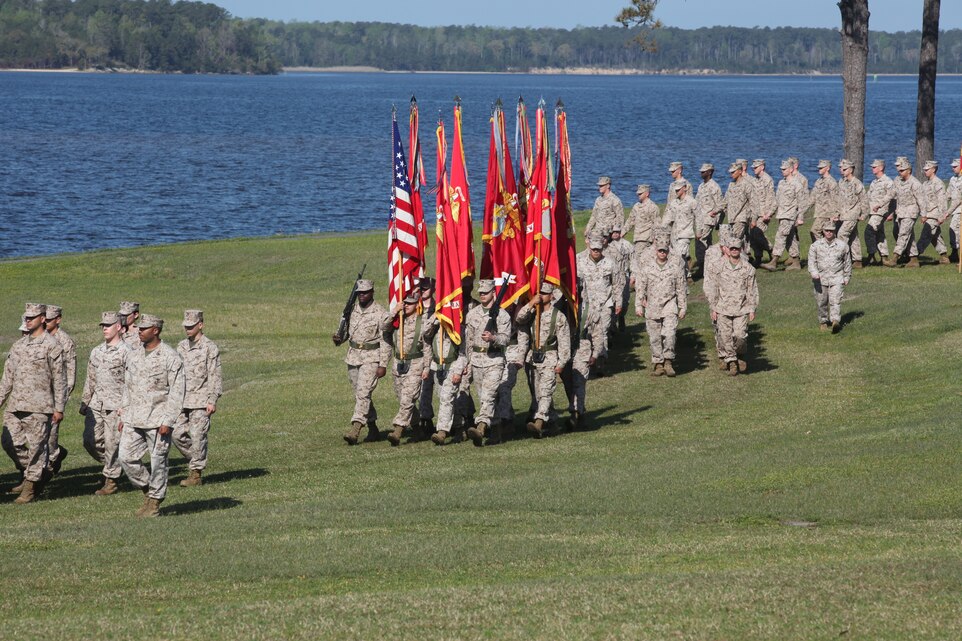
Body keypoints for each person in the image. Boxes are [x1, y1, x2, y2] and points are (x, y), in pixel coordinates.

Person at [119, 314, 185, 517]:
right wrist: (124, 413)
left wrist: (168, 420)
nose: (139, 331)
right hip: (133, 418)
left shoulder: (170, 357)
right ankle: (149, 490)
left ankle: (155, 503)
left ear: (155, 330)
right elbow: (127, 386)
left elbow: (177, 391)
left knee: (158, 463)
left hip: (158, 420)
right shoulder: (134, 354)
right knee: (125, 458)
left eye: (144, 328)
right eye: (139, 328)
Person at [0, 303, 66, 504]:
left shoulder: (52, 345)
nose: (27, 320)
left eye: (32, 317)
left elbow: (59, 378)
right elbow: (7, 377)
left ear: (43, 319)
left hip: (40, 407)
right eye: (26, 317)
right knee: (10, 442)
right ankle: (37, 472)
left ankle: (29, 488)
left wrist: (59, 408)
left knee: (37, 447)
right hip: (15, 405)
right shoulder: (19, 345)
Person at [332, 279, 391, 445]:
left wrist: (383, 364)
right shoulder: (352, 310)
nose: (362, 296)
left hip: (371, 358)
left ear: (372, 292)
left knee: (364, 393)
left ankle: (355, 429)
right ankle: (373, 429)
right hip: (353, 357)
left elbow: (386, 341)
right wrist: (338, 338)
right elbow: (347, 334)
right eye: (359, 293)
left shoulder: (380, 313)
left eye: (365, 293)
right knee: (360, 394)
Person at [79, 311, 132, 496]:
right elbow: (90, 378)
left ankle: (111, 479)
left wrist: (126, 407)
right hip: (97, 404)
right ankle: (116, 466)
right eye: (103, 326)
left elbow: (131, 383)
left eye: (108, 325)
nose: (104, 329)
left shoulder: (127, 352)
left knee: (111, 443)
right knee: (90, 441)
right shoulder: (96, 351)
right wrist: (85, 401)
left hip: (116, 405)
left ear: (118, 327)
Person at [454, 279, 510, 447]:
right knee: (486, 399)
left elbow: (506, 339)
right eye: (481, 293)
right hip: (477, 361)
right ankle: (497, 431)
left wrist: (493, 338)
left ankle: (481, 428)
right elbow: (468, 342)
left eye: (486, 292)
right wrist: (467, 363)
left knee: (488, 396)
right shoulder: (472, 314)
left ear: (494, 292)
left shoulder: (503, 315)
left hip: (494, 360)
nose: (483, 295)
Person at [172, 310, 223, 483]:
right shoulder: (181, 347)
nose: (187, 329)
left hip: (201, 400)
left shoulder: (210, 347)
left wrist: (212, 400)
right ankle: (196, 458)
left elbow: (214, 375)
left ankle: (195, 473)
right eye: (186, 326)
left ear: (200, 325)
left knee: (197, 435)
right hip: (182, 400)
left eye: (191, 326)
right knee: (176, 434)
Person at [516, 283, 571, 438]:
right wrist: (531, 303)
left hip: (550, 358)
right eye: (539, 293)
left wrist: (561, 363)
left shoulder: (558, 317)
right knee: (538, 394)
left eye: (544, 293)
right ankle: (553, 423)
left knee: (546, 392)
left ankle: (539, 421)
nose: (541, 296)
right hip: (533, 359)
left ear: (551, 296)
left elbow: (565, 343)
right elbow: (519, 319)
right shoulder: (533, 312)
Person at [382, 292, 432, 446]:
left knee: (407, 399)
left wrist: (427, 367)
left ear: (417, 304)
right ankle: (417, 429)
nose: (406, 305)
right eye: (405, 303)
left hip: (416, 363)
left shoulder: (422, 322)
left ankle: (398, 431)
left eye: (410, 303)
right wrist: (395, 311)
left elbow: (427, 346)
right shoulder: (397, 320)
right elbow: (383, 327)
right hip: (399, 364)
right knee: (403, 399)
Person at [635, 232, 687, 377]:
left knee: (670, 334)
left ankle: (668, 361)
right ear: (656, 251)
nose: (662, 253)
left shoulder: (675, 268)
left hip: (669, 305)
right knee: (655, 337)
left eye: (665, 250)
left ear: (668, 251)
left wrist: (683, 307)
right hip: (652, 305)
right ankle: (658, 363)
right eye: (660, 250)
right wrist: (639, 305)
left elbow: (681, 288)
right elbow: (640, 287)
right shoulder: (647, 267)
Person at [704, 238, 759, 376]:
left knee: (740, 336)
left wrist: (752, 308)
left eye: (737, 248)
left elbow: (752, 290)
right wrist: (713, 308)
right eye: (732, 248)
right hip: (722, 308)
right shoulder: (719, 267)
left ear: (741, 249)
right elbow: (713, 289)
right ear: (727, 249)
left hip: (741, 308)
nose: (734, 250)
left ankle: (739, 355)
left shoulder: (748, 268)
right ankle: (732, 362)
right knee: (725, 336)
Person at [568, 277, 604, 430]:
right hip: (562, 350)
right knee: (567, 384)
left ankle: (578, 413)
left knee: (579, 382)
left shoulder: (589, 310)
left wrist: (596, 353)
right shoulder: (562, 308)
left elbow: (597, 333)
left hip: (582, 349)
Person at [43, 304, 75, 474]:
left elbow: (71, 371)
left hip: (56, 394)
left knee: (51, 431)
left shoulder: (65, 341)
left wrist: (62, 398)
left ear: (58, 320)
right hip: (40, 393)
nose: (46, 322)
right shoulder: (41, 338)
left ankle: (52, 459)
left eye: (49, 320)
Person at [577, 236, 617, 361]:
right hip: (587, 304)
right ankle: (590, 357)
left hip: (604, 303)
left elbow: (616, 283)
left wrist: (618, 302)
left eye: (598, 249)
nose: (596, 251)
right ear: (589, 248)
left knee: (603, 330)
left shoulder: (610, 263)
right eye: (593, 249)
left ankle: (601, 359)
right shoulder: (580, 262)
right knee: (589, 332)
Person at [808, 221, 852, 333]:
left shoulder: (842, 246)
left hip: (837, 277)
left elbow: (847, 262)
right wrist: (814, 272)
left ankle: (835, 321)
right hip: (820, 278)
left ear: (834, 231)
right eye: (827, 230)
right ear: (823, 231)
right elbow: (811, 262)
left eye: (831, 231)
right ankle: (823, 322)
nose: (829, 233)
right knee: (821, 302)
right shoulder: (815, 246)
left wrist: (847, 277)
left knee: (835, 300)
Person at [762, 160, 805, 271]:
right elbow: (777, 200)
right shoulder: (781, 183)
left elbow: (802, 203)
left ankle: (774, 261)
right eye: (781, 169)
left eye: (784, 169)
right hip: (782, 214)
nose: (782, 171)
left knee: (780, 236)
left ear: (791, 169)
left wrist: (800, 218)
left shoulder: (797, 184)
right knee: (791, 239)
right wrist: (770, 213)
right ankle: (796, 262)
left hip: (790, 216)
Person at [885, 157, 924, 268]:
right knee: (908, 235)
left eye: (902, 170)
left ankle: (895, 258)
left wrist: (924, 214)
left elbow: (921, 200)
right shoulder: (897, 180)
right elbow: (891, 194)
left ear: (909, 170)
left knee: (903, 234)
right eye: (899, 170)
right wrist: (880, 204)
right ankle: (914, 259)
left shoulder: (915, 183)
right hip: (901, 212)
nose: (899, 172)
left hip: (911, 213)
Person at [911, 159, 950, 266]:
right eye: (925, 169)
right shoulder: (925, 183)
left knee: (926, 235)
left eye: (927, 169)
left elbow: (942, 201)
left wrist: (942, 216)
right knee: (935, 236)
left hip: (934, 215)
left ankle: (913, 257)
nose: (925, 171)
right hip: (928, 214)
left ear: (933, 169)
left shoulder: (938, 183)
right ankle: (944, 257)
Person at [662, 180, 698, 279]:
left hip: (686, 234)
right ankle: (688, 275)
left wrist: (699, 231)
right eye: (675, 190)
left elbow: (699, 217)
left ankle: (678, 278)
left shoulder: (692, 202)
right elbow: (668, 218)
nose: (677, 192)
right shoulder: (673, 203)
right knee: (680, 256)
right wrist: (661, 229)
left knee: (677, 256)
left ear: (684, 188)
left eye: (678, 189)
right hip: (675, 234)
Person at [623, 184, 660, 278]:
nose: (638, 195)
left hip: (646, 239)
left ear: (647, 194)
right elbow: (630, 221)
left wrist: (656, 240)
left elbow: (657, 225)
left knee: (640, 262)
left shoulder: (652, 207)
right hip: (637, 239)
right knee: (637, 261)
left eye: (640, 193)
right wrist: (622, 233)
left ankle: (639, 281)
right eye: (638, 193)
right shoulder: (636, 206)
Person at [836, 158, 867, 269]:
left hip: (853, 214)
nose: (841, 171)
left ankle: (841, 259)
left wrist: (864, 214)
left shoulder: (857, 183)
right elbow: (840, 200)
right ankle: (857, 260)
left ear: (851, 170)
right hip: (844, 214)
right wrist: (837, 213)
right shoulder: (841, 182)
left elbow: (864, 200)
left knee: (842, 234)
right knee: (853, 237)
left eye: (844, 169)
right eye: (841, 168)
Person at [416, 277, 437, 436]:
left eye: (426, 288)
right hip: (418, 355)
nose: (423, 290)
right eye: (421, 288)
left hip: (436, 353)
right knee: (422, 389)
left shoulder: (440, 309)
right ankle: (425, 420)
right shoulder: (414, 309)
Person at [695, 163, 724, 276]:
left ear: (710, 172)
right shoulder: (701, 186)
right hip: (700, 219)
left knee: (700, 241)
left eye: (704, 172)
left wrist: (714, 212)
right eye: (701, 172)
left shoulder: (714, 187)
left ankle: (701, 267)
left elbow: (721, 205)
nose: (701, 173)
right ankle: (712, 265)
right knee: (708, 244)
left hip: (708, 220)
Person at [865, 159, 895, 266]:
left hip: (881, 212)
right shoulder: (874, 182)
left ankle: (871, 255)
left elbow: (891, 196)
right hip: (872, 212)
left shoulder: (888, 182)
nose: (872, 169)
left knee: (869, 231)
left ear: (881, 168)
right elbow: (868, 196)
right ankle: (884, 257)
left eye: (874, 167)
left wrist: (881, 205)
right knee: (879, 235)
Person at [605, 225, 633, 332]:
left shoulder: (627, 245)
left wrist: (633, 274)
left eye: (617, 232)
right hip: (611, 278)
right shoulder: (607, 245)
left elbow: (633, 259)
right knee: (612, 302)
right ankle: (612, 326)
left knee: (624, 301)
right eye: (613, 232)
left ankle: (621, 317)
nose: (615, 234)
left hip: (624, 275)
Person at [749, 159, 776, 265]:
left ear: (762, 167)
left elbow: (771, 198)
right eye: (753, 168)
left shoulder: (767, 179)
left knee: (758, 234)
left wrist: (768, 213)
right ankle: (758, 257)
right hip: (755, 213)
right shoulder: (755, 180)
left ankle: (772, 251)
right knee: (753, 236)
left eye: (755, 167)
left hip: (763, 213)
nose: (754, 169)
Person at [584, 176, 624, 240]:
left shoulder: (614, 200)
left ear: (608, 186)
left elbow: (620, 217)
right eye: (599, 186)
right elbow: (594, 216)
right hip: (598, 233)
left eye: (602, 186)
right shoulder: (598, 200)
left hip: (609, 234)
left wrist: (617, 232)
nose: (599, 188)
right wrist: (588, 229)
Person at [723, 161, 753, 246]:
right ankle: (745, 257)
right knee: (738, 241)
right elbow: (726, 200)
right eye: (730, 172)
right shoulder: (731, 184)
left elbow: (753, 201)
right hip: (732, 217)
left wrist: (753, 219)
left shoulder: (746, 184)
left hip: (741, 217)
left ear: (740, 171)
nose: (731, 174)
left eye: (733, 172)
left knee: (735, 240)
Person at [811, 159, 838, 242]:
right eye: (819, 168)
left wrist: (835, 214)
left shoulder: (832, 182)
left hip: (827, 213)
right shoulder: (818, 181)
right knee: (825, 234)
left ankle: (821, 248)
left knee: (815, 230)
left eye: (821, 168)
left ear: (828, 168)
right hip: (820, 212)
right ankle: (823, 250)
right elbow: (812, 197)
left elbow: (836, 199)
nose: (819, 169)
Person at [948, 158, 962, 263]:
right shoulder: (953, 179)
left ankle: (955, 253)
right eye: (952, 167)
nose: (953, 168)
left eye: (955, 166)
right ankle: (954, 253)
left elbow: (958, 199)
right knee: (953, 230)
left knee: (954, 229)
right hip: (954, 210)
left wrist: (947, 212)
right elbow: (948, 193)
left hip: (960, 210)